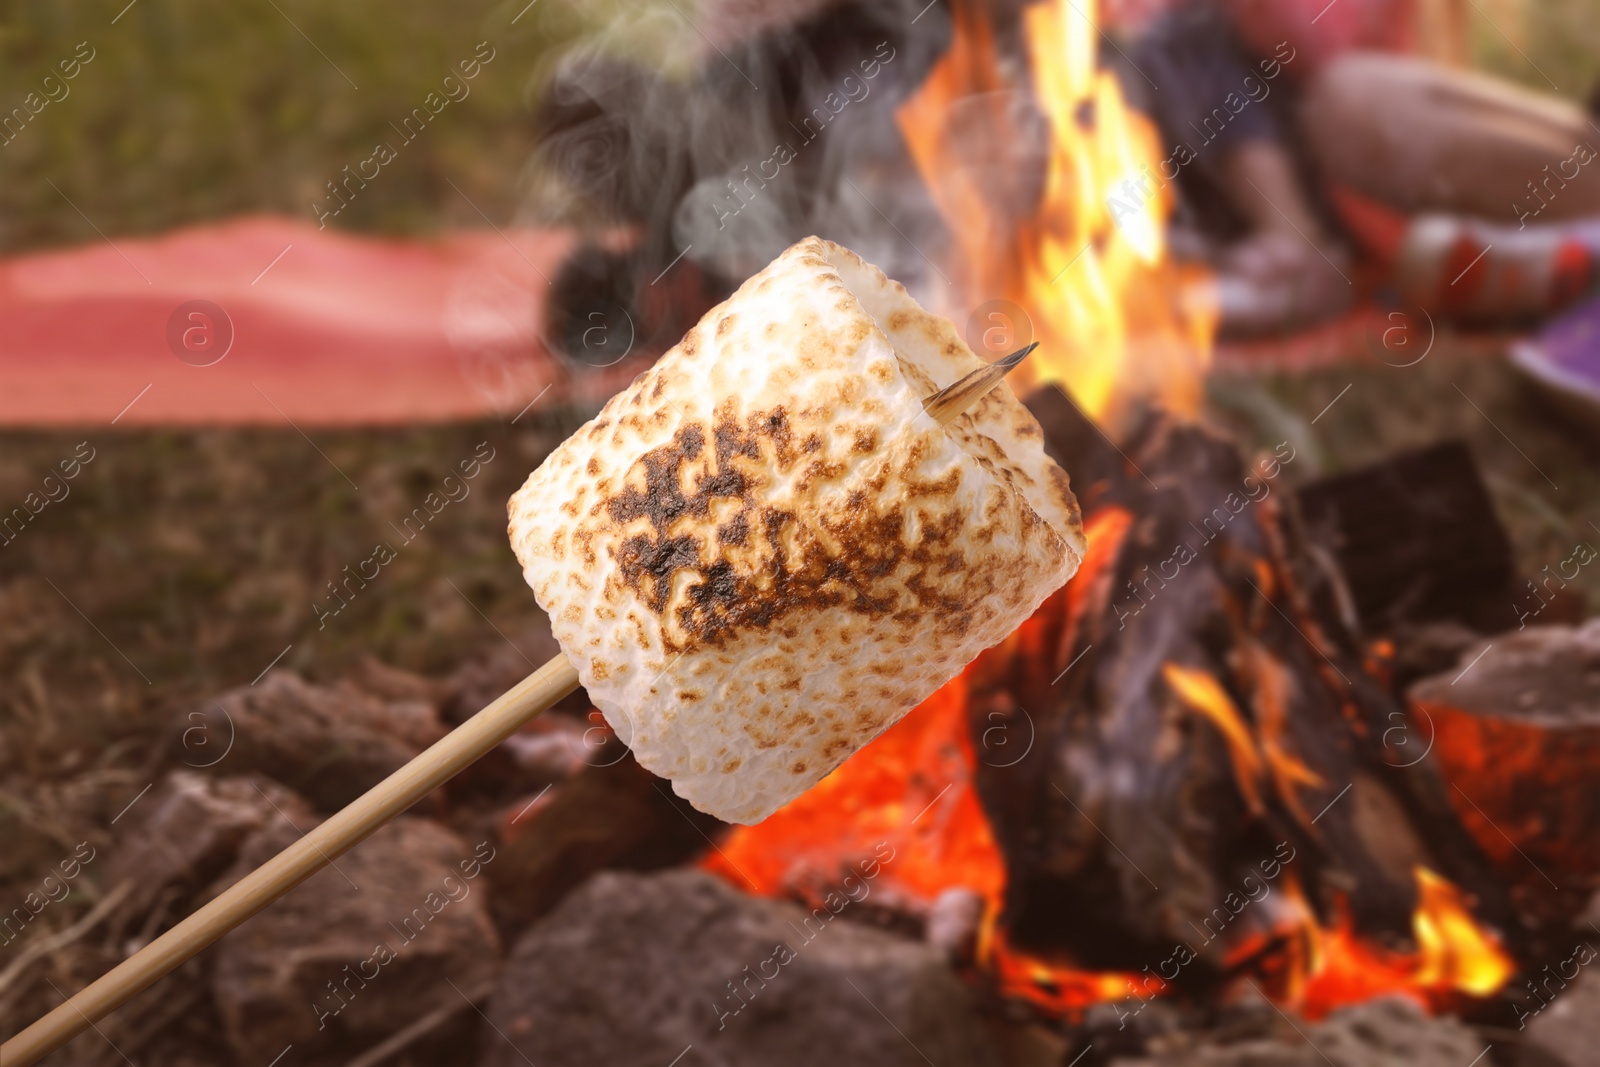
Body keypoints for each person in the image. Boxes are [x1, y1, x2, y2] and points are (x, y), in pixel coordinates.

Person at [1123, 0, 1600, 332]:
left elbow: (1307, 38)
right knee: (1172, 47)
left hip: (1342, 171)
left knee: (1345, 98)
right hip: (1277, 146)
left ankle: (1297, 248)